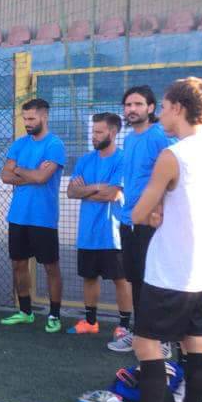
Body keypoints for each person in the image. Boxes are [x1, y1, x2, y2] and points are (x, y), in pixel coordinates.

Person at [99, 77, 202, 402]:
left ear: (177, 108)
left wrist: (151, 212)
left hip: (170, 266)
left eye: (167, 107)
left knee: (146, 343)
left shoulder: (173, 156)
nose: (164, 115)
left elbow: (138, 212)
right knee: (195, 340)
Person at [108, 86, 172, 355]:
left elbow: (172, 179)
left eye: (137, 104)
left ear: (151, 108)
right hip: (129, 220)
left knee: (154, 281)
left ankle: (163, 339)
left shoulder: (161, 138)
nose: (131, 109)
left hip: (151, 223)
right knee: (135, 279)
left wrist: (158, 211)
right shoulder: (130, 139)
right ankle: (139, 332)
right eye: (127, 105)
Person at [0, 99, 66, 333]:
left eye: (31, 119)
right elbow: (5, 176)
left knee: (50, 267)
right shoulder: (19, 144)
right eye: (24, 119)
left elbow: (42, 179)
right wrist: (30, 173)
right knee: (18, 264)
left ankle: (54, 315)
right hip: (18, 216)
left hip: (43, 217)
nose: (27, 123)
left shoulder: (55, 145)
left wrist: (19, 170)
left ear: (44, 117)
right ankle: (25, 312)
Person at [65, 113, 132, 335]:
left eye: (99, 132)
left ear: (112, 133)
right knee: (89, 277)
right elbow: (71, 191)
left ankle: (124, 326)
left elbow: (112, 194)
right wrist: (97, 187)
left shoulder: (123, 159)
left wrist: (88, 190)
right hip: (87, 232)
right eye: (93, 132)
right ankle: (90, 322)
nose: (93, 136)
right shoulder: (85, 160)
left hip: (112, 234)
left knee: (120, 279)